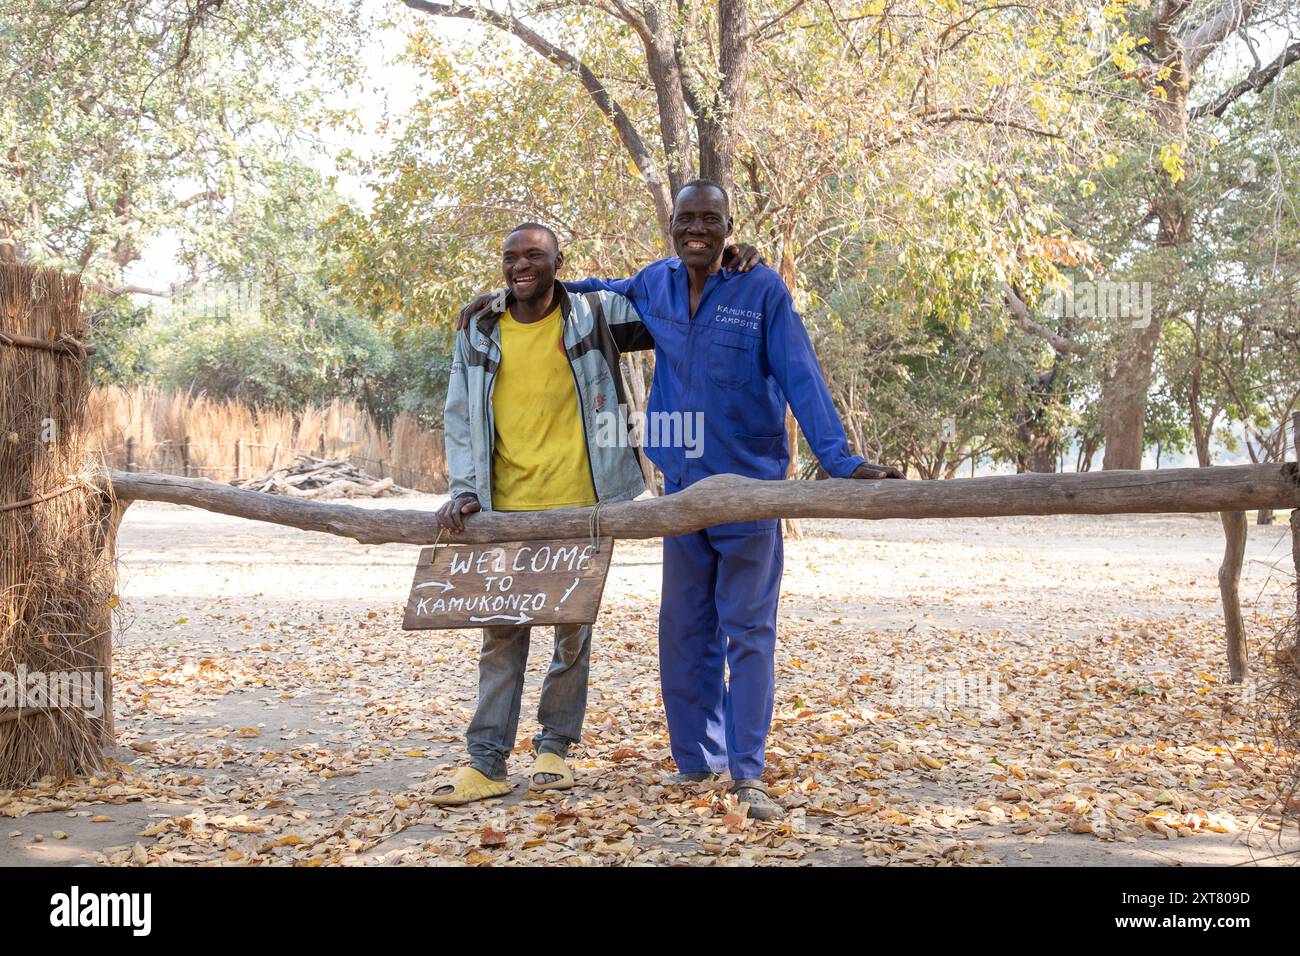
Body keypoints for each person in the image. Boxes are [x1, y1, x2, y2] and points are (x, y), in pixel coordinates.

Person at [463, 182, 904, 820]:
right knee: (683, 632)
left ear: (729, 227)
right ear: (672, 225)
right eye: (686, 218)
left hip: (750, 490)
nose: (697, 229)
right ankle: (697, 762)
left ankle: (746, 772)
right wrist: (505, 297)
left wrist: (842, 461)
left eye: (711, 220)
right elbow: (587, 289)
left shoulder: (761, 290)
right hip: (680, 492)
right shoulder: (656, 283)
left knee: (748, 631)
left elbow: (800, 375)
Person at [429, 222, 651, 805]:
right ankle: (484, 764)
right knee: (501, 638)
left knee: (572, 638)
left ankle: (554, 749)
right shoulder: (479, 330)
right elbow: (458, 415)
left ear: (559, 263)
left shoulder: (592, 315)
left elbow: (669, 299)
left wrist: (730, 259)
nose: (520, 265)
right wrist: (465, 488)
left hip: (583, 505)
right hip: (505, 509)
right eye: (510, 258)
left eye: (535, 256)